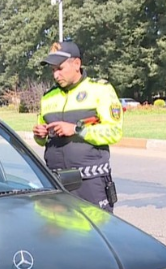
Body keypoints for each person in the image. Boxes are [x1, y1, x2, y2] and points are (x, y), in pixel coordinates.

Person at [34, 41, 123, 212]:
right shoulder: (48, 97)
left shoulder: (100, 90)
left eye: (60, 68)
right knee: (60, 235)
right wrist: (40, 135)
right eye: (52, 70)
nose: (55, 75)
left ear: (77, 64)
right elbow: (42, 140)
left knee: (93, 235)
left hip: (90, 183)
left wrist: (77, 130)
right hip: (56, 182)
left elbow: (114, 132)